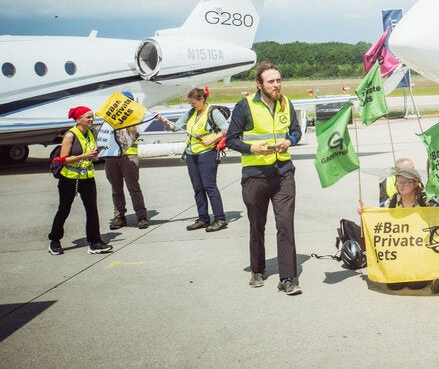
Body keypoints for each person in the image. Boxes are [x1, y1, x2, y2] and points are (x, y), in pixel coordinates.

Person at [225, 62, 303, 296]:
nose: (276, 84)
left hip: (283, 173)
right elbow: (231, 139)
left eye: (278, 80)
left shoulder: (286, 103)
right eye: (271, 81)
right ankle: (257, 270)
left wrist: (290, 141)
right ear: (259, 84)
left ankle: (288, 278)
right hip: (255, 176)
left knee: (285, 225)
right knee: (257, 225)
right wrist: (252, 149)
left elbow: (296, 131)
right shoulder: (245, 106)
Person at [160, 88, 229, 232]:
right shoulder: (192, 112)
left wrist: (211, 139)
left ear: (202, 99)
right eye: (190, 103)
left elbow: (226, 129)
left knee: (209, 186)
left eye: (194, 103)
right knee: (197, 187)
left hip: (207, 153)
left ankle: (220, 219)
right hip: (192, 153)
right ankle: (203, 218)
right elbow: (175, 127)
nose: (192, 105)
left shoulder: (212, 112)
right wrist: (163, 121)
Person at [48, 106, 112, 255]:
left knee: (92, 210)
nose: (91, 119)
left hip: (87, 177)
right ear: (78, 120)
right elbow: (63, 160)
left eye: (92, 117)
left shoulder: (91, 132)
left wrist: (95, 157)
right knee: (64, 209)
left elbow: (91, 154)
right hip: (69, 178)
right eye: (88, 117)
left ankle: (95, 242)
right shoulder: (70, 135)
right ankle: (54, 240)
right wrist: (84, 156)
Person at [98, 92, 150, 230]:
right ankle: (119, 216)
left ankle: (141, 216)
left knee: (133, 188)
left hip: (129, 157)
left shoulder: (136, 118)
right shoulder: (109, 119)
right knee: (116, 189)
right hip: (111, 157)